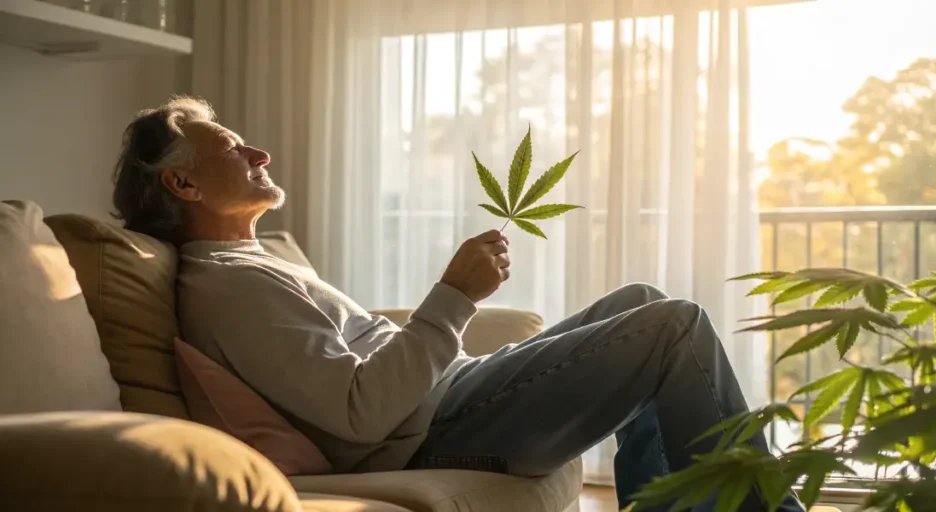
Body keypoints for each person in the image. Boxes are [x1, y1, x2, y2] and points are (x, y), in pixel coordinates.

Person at [111, 96, 804, 512]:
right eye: (233, 149)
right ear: (184, 185)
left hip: (456, 394)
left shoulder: (256, 263)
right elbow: (360, 413)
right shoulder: (225, 287)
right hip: (442, 428)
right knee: (674, 327)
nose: (259, 152)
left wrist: (451, 311)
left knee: (643, 302)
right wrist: (454, 296)